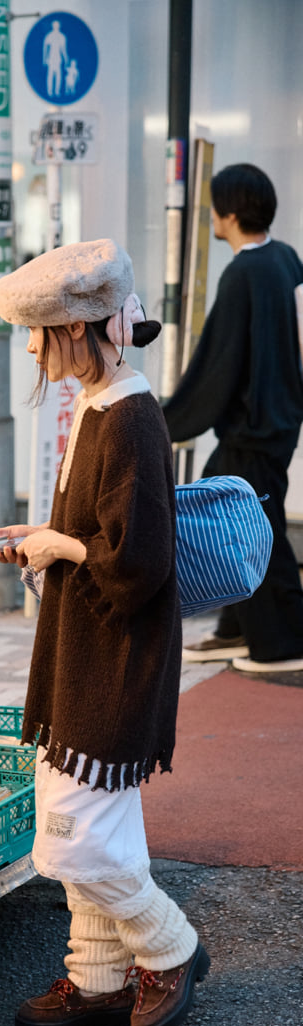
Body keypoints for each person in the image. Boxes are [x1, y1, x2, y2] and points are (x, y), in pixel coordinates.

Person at [0, 239, 208, 1026]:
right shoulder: (102, 400)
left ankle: (170, 945)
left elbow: (140, 562)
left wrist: (61, 547)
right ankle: (97, 977)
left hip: (115, 657)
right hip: (88, 651)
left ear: (81, 329)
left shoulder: (130, 416)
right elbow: (100, 533)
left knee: (75, 839)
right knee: (93, 821)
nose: (38, 352)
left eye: (43, 336)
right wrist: (45, 534)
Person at [162, 163, 303, 672]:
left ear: (231, 212)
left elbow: (219, 363)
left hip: (254, 428)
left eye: (215, 205)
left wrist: (162, 420)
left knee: (246, 527)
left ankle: (284, 643)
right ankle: (237, 628)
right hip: (279, 423)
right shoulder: (287, 259)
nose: (211, 215)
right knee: (230, 512)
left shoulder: (244, 272)